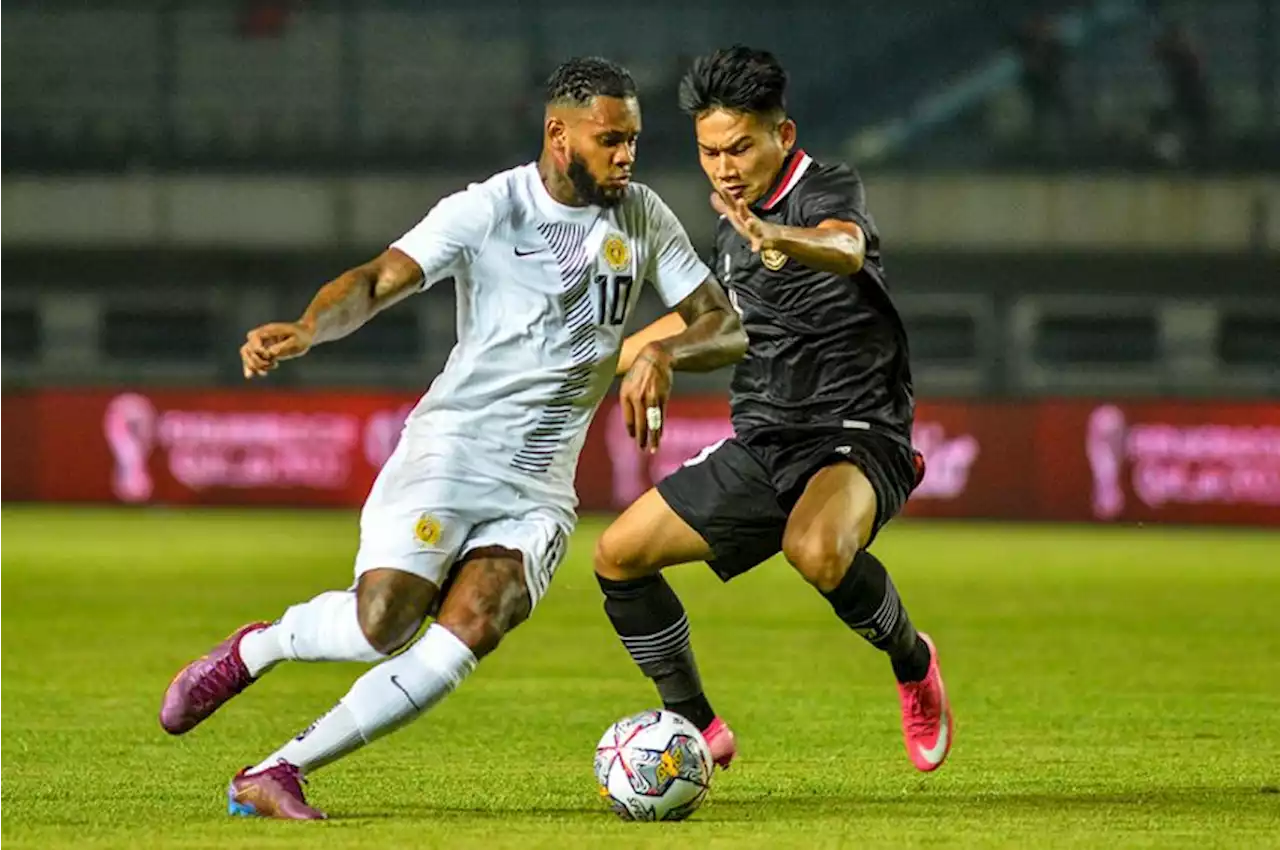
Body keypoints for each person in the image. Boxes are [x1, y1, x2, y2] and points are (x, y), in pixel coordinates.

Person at [158, 56, 746, 820]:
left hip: (539, 487)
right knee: (382, 627)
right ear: (557, 134)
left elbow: (724, 323)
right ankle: (259, 648)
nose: (626, 156)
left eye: (633, 139)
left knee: (474, 625)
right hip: (452, 452)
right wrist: (308, 329)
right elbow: (376, 280)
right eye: (610, 140)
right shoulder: (490, 209)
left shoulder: (642, 215)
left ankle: (276, 771)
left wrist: (662, 352)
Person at [598, 46, 953, 774]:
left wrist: (776, 236)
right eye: (708, 151)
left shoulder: (825, 189)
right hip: (766, 439)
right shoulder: (731, 227)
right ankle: (698, 723)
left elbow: (846, 249)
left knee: (815, 550)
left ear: (781, 137)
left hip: (859, 433)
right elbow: (723, 318)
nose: (724, 167)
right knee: (617, 557)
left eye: (740, 147)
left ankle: (913, 662)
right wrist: (621, 355)